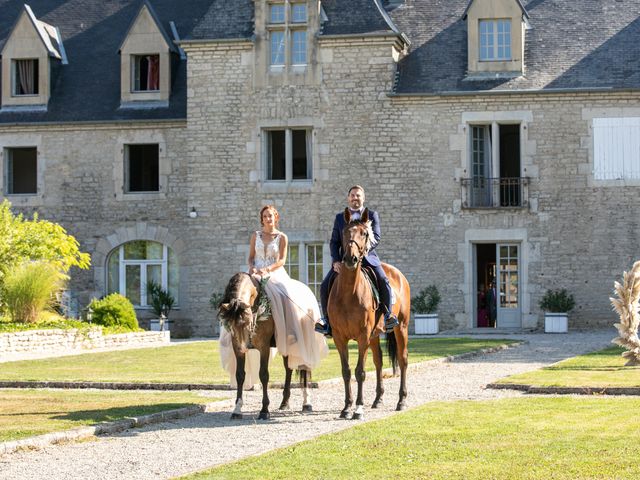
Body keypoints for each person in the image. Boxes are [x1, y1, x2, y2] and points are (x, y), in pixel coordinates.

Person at [219, 206, 328, 388]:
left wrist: (267, 270)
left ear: (276, 218)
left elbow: (282, 260)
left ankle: (290, 333)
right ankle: (233, 334)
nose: (268, 218)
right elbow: (251, 258)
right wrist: (253, 268)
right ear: (261, 219)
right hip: (255, 273)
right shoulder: (256, 236)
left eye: (270, 216)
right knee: (239, 298)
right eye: (264, 216)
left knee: (284, 295)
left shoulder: (282, 237)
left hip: (274, 273)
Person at [315, 185, 398, 338]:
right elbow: (334, 242)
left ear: (363, 198)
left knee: (383, 280)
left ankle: (388, 315)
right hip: (345, 260)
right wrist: (335, 261)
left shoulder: (372, 215)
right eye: (352, 195)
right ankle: (326, 321)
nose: (355, 198)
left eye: (358, 195)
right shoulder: (340, 218)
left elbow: (377, 238)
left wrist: (363, 250)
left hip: (367, 259)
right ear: (348, 198)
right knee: (325, 284)